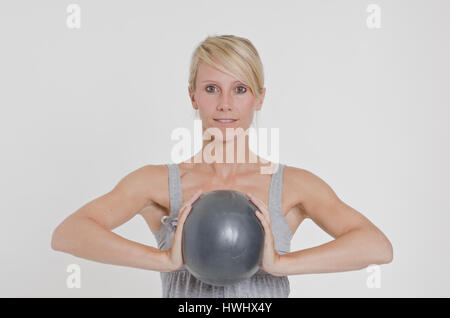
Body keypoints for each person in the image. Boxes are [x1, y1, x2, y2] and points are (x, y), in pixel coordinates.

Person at [51, 34, 393, 298]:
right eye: (212, 88)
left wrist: (281, 264)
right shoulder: (156, 183)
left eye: (240, 89)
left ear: (259, 98)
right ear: (193, 96)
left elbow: (376, 246)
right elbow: (68, 233)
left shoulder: (293, 186)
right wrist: (164, 259)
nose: (226, 104)